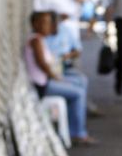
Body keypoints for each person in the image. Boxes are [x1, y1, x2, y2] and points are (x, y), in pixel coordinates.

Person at [25, 11, 95, 146]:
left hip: (47, 80)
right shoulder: (35, 40)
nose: (48, 26)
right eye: (44, 23)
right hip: (42, 85)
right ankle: (77, 132)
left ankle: (75, 126)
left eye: (48, 23)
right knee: (78, 92)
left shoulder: (40, 40)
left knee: (79, 83)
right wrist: (56, 77)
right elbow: (43, 65)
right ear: (35, 24)